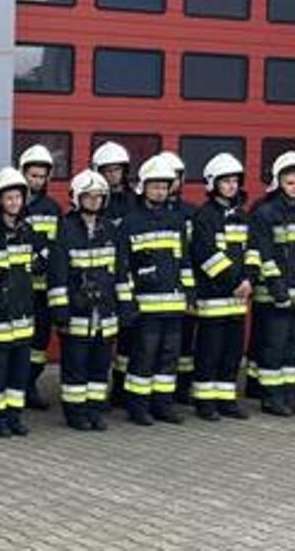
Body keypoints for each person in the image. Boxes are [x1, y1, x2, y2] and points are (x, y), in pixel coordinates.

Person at [50, 170, 129, 430]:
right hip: (77, 313)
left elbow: (120, 272)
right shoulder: (65, 229)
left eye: (99, 197)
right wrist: (60, 309)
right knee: (76, 366)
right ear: (76, 198)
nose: (94, 201)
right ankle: (75, 412)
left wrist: (125, 304)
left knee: (99, 366)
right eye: (89, 196)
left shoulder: (110, 230)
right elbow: (58, 273)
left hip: (104, 313)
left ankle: (95, 410)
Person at [117, 154, 191, 426]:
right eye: (155, 186)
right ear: (143, 188)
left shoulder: (176, 221)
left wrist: (189, 294)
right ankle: (137, 406)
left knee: (169, 358)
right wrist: (127, 303)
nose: (160, 191)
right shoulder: (130, 223)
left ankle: (163, 405)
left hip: (172, 304)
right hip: (145, 307)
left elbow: (184, 262)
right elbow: (122, 268)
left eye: (164, 186)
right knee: (144, 356)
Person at [249, 151, 295, 418]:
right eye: (289, 182)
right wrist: (278, 291)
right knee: (273, 348)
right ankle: (271, 398)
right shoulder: (264, 214)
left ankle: (289, 395)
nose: (294, 187)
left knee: (293, 350)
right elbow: (263, 256)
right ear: (278, 182)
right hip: (273, 298)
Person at [0, 167, 42, 438]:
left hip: (23, 317)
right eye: (9, 198)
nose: (14, 203)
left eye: (18, 197)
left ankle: (14, 415)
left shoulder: (28, 231)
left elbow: (43, 259)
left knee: (18, 373)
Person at [187, 153, 253, 422]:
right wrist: (235, 281)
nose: (231, 186)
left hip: (238, 299)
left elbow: (252, 251)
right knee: (209, 351)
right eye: (225, 181)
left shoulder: (242, 216)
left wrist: (249, 278)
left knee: (232, 352)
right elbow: (206, 256)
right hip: (214, 298)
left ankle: (227, 399)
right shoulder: (204, 217)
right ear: (213, 184)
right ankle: (205, 402)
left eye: (235, 181)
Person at [16, 145, 62, 411]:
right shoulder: (12, 202)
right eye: (32, 175)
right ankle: (16, 387)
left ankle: (30, 385)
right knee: (19, 340)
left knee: (39, 344)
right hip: (20, 289)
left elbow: (57, 245)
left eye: (41, 176)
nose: (36, 180)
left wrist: (45, 258)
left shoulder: (53, 208)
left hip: (43, 290)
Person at [90, 141, 137, 226]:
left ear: (124, 171)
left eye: (117, 169)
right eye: (108, 170)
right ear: (99, 173)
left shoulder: (135, 198)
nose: (113, 174)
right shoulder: (93, 199)